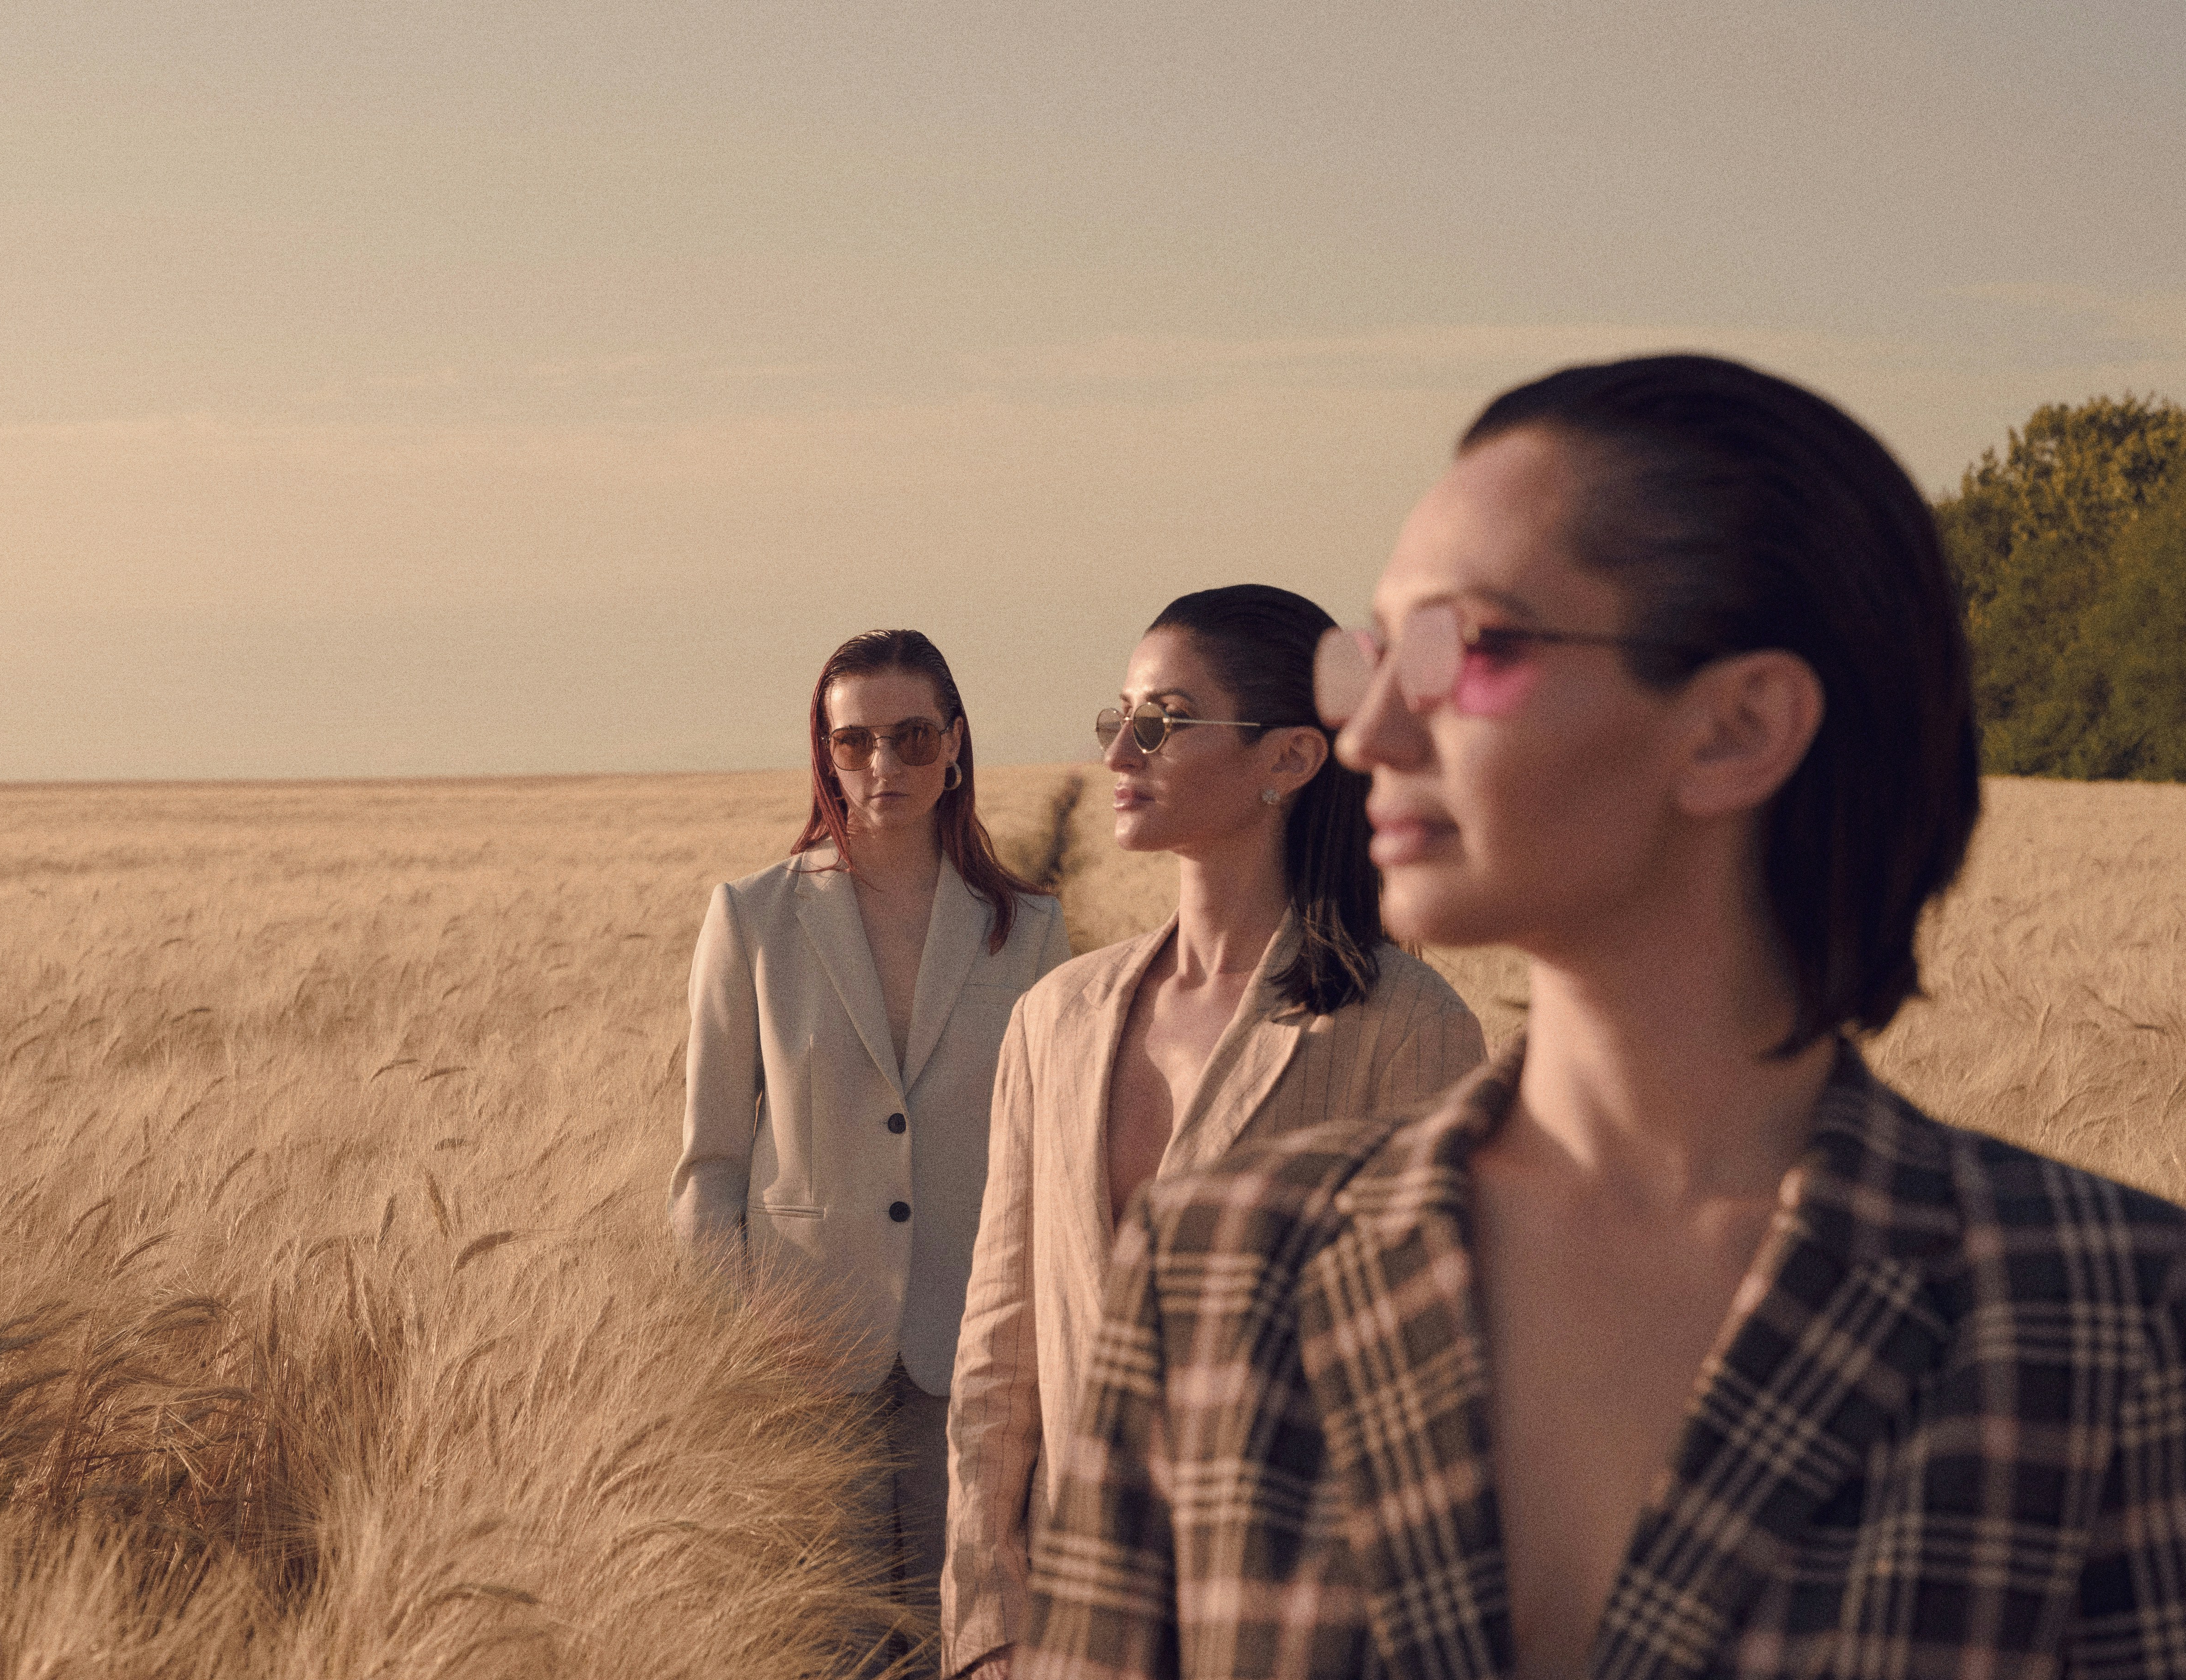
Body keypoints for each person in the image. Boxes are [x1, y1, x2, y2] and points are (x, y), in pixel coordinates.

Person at [1021, 356, 2186, 1680]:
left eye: (1462, 647)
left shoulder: (2105, 1320)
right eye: (1371, 655)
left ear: (1735, 725)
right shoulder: (1211, 1273)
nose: (1370, 732)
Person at [945, 585, 1486, 1679]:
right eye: (1119, 717)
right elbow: (999, 1349)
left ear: (1290, 758)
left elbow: (1445, 1384)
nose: (1119, 752)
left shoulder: (1402, 1029)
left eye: (1164, 719)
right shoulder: (1055, 1019)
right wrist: (987, 1620)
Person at [671, 628, 1070, 1669]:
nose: (883, 766)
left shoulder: (1025, 929)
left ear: (955, 745)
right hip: (806, 1349)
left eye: (910, 736)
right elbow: (709, 1164)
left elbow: (1049, 1156)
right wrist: (741, 1332)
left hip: (978, 1350)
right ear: (824, 752)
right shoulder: (751, 918)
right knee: (831, 1641)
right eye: (854, 743)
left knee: (972, 1636)